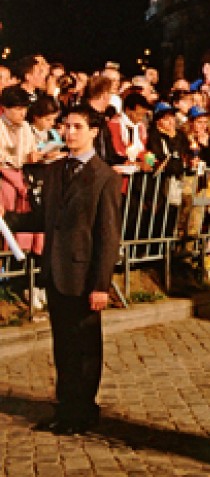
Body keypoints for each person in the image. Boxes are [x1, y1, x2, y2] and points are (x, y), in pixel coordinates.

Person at [5, 104, 122, 435]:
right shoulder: (55, 171)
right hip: (56, 272)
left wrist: (101, 284)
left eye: (77, 127)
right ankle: (66, 407)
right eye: (66, 127)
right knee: (63, 347)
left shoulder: (105, 177)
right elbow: (44, 218)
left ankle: (83, 411)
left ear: (94, 131)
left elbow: (108, 236)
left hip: (84, 276)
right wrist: (9, 219)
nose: (69, 133)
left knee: (85, 347)